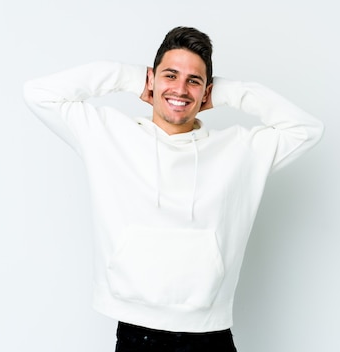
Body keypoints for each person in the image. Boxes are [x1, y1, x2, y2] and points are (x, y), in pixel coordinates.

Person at [23, 26, 323, 351]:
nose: (180, 89)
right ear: (152, 80)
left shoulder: (240, 150)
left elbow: (307, 129)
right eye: (170, 75)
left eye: (193, 81)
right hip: (138, 333)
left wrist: (224, 92)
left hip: (210, 335)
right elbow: (38, 93)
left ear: (206, 92)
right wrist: (133, 78)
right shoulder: (107, 135)